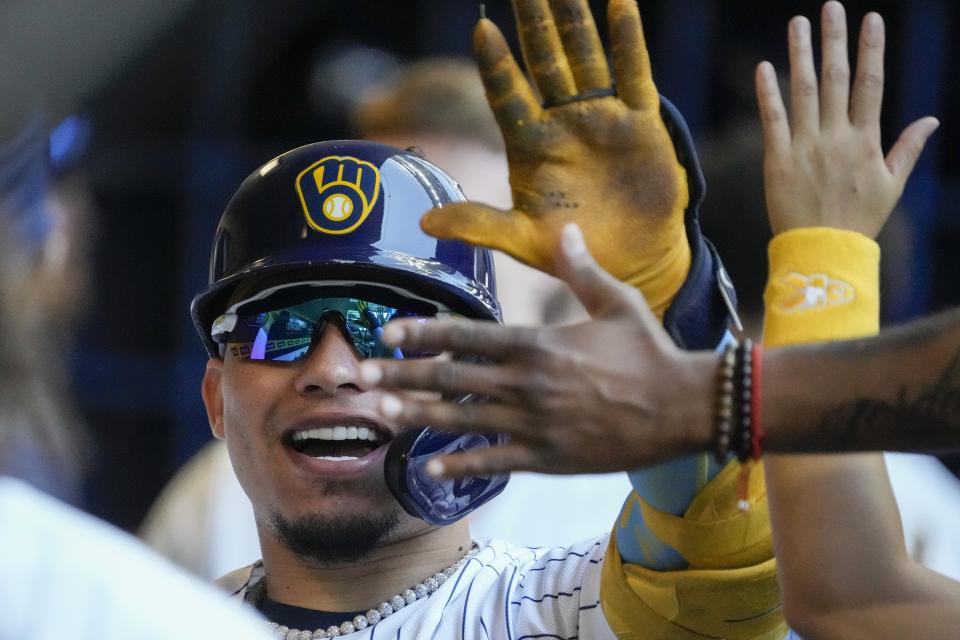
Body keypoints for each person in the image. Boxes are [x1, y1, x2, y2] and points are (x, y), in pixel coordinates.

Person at [359, 2, 958, 638]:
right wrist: (820, 258)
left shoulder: (900, 489)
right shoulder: (270, 470)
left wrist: (705, 369)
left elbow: (844, 596)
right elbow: (845, 596)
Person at [193, 1, 787, 638]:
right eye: (279, 329)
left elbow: (732, 571)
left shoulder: (569, 608)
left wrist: (679, 311)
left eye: (394, 329)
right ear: (217, 399)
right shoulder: (152, 616)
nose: (332, 369)